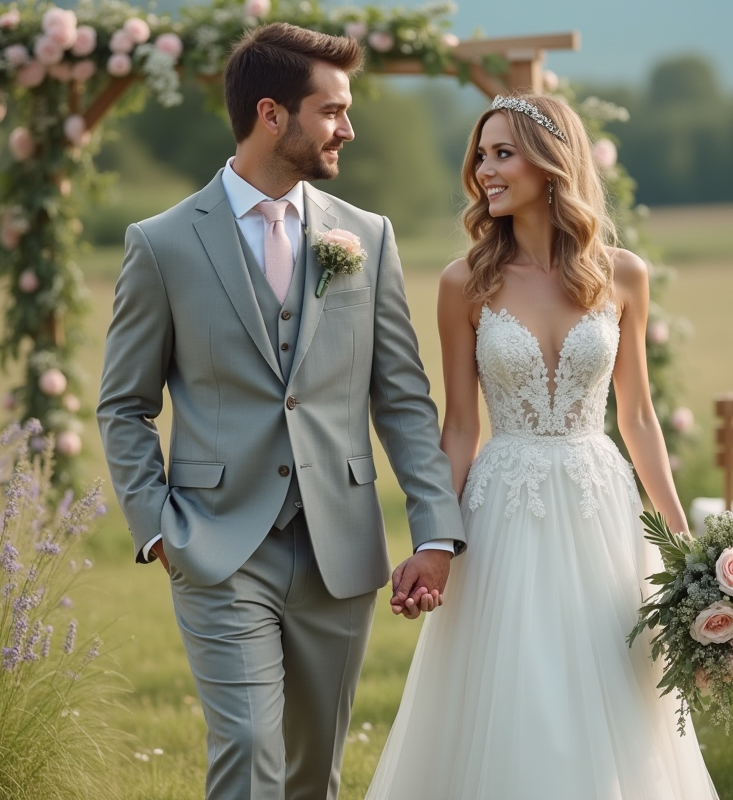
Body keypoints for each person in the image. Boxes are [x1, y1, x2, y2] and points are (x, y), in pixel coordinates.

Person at [96, 23, 465, 800]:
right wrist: (157, 526)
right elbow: (124, 405)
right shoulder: (161, 245)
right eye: (331, 111)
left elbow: (400, 396)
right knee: (250, 747)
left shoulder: (366, 237)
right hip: (218, 540)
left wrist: (434, 526)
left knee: (312, 770)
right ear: (272, 114)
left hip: (340, 541)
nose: (348, 128)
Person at [366, 94, 719, 798]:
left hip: (601, 500)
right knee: (516, 684)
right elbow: (461, 424)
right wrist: (435, 537)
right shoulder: (464, 282)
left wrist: (683, 542)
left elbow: (640, 417)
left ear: (553, 162)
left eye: (503, 153)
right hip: (505, 503)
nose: (484, 170)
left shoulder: (623, 274)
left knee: (617, 680)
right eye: (480, 155)